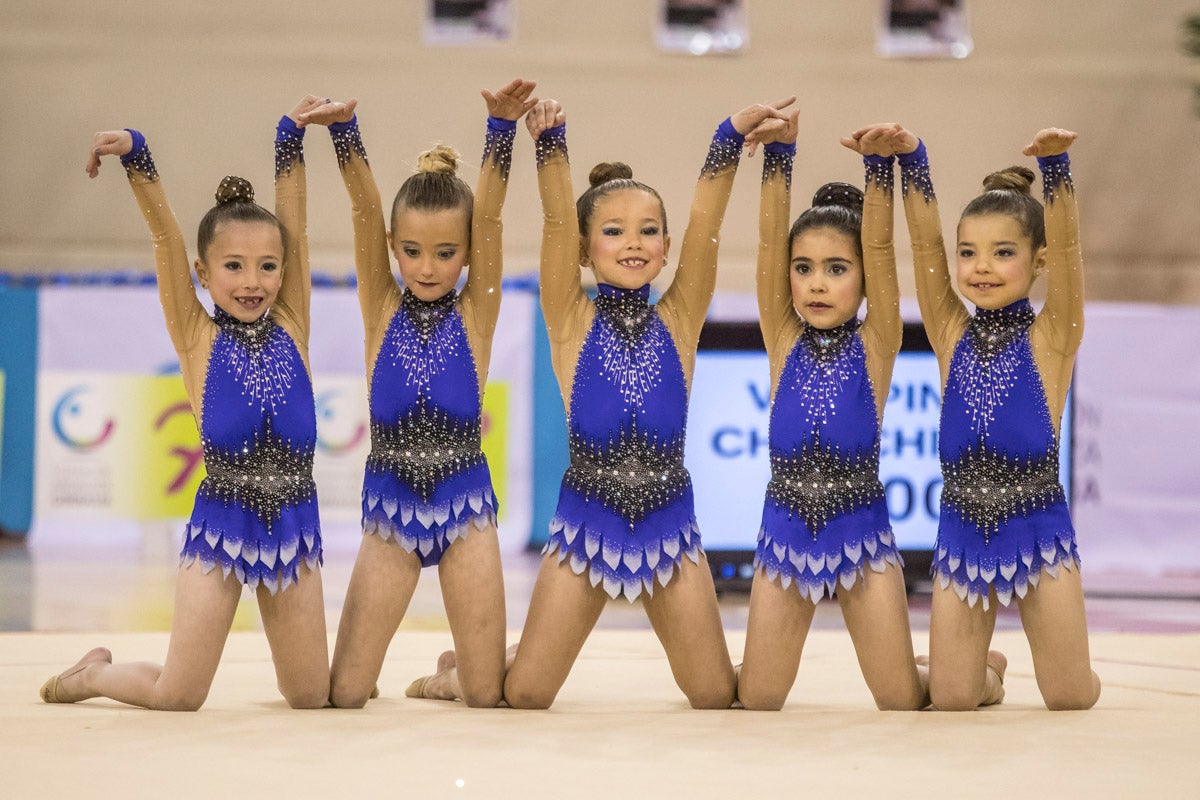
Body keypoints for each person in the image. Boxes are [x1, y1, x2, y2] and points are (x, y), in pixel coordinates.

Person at [489, 96, 792, 710]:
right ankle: (459, 672)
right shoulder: (570, 318)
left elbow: (708, 229)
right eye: (613, 231)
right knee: (525, 694)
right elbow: (552, 226)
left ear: (665, 243)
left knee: (711, 693)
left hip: (669, 528)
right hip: (585, 526)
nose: (633, 243)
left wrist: (726, 139)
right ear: (584, 249)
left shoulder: (677, 319)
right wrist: (550, 147)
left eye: (648, 231)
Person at [41, 96, 332, 710]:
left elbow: (295, 223)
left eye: (267, 266)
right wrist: (137, 158)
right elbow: (165, 239)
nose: (253, 281)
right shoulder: (197, 334)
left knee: (310, 695)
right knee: (179, 695)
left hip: (293, 524)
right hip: (222, 523)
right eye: (233, 266)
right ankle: (93, 674)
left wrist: (291, 139)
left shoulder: (293, 321)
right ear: (204, 273)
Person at [297, 80, 537, 708]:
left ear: (466, 258)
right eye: (411, 251)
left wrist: (501, 132)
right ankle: (456, 658)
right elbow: (362, 214)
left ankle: (449, 675)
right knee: (345, 693)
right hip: (391, 511)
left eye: (445, 253)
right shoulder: (380, 305)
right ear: (393, 251)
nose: (427, 267)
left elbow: (489, 218)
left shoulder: (476, 314)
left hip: (466, 507)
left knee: (486, 695)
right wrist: (345, 135)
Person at [888, 123, 1101, 710]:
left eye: (1003, 253)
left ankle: (1068, 668)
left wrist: (1058, 170)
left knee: (1069, 697)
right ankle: (987, 668)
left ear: (1039, 262)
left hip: (1039, 530)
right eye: (969, 253)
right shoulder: (949, 333)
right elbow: (925, 249)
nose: (981, 267)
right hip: (963, 533)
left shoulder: (1053, 336)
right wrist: (915, 162)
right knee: (953, 699)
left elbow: (1074, 261)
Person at [736, 120, 928, 710]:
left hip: (863, 538)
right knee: (759, 699)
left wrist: (879, 171)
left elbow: (883, 250)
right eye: (804, 268)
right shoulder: (782, 337)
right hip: (785, 537)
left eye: (837, 269)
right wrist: (779, 156)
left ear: (865, 280)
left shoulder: (879, 341)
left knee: (902, 700)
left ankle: (981, 672)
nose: (816, 284)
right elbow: (769, 241)